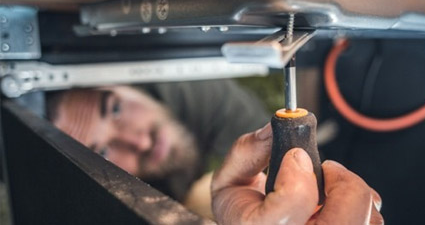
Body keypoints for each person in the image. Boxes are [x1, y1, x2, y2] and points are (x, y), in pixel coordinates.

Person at [45, 79, 383, 224]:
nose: (139, 141)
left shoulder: (188, 90)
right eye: (102, 149)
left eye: (115, 109)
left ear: (127, 84)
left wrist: (212, 197)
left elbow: (263, 171)